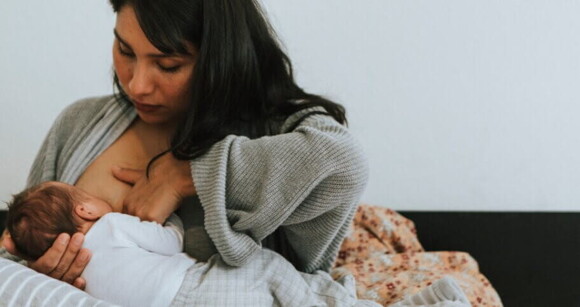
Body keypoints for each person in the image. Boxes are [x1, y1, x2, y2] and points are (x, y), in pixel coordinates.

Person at [0, 0, 369, 304]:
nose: (137, 84)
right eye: (125, 51)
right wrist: (40, 275)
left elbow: (345, 165)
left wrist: (187, 174)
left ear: (219, 58)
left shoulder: (275, 129)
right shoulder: (80, 123)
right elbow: (13, 260)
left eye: (168, 64)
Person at [6, 181, 379, 307]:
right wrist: (166, 218)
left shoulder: (74, 276)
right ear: (85, 207)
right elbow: (170, 244)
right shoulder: (112, 224)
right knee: (265, 268)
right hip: (198, 287)